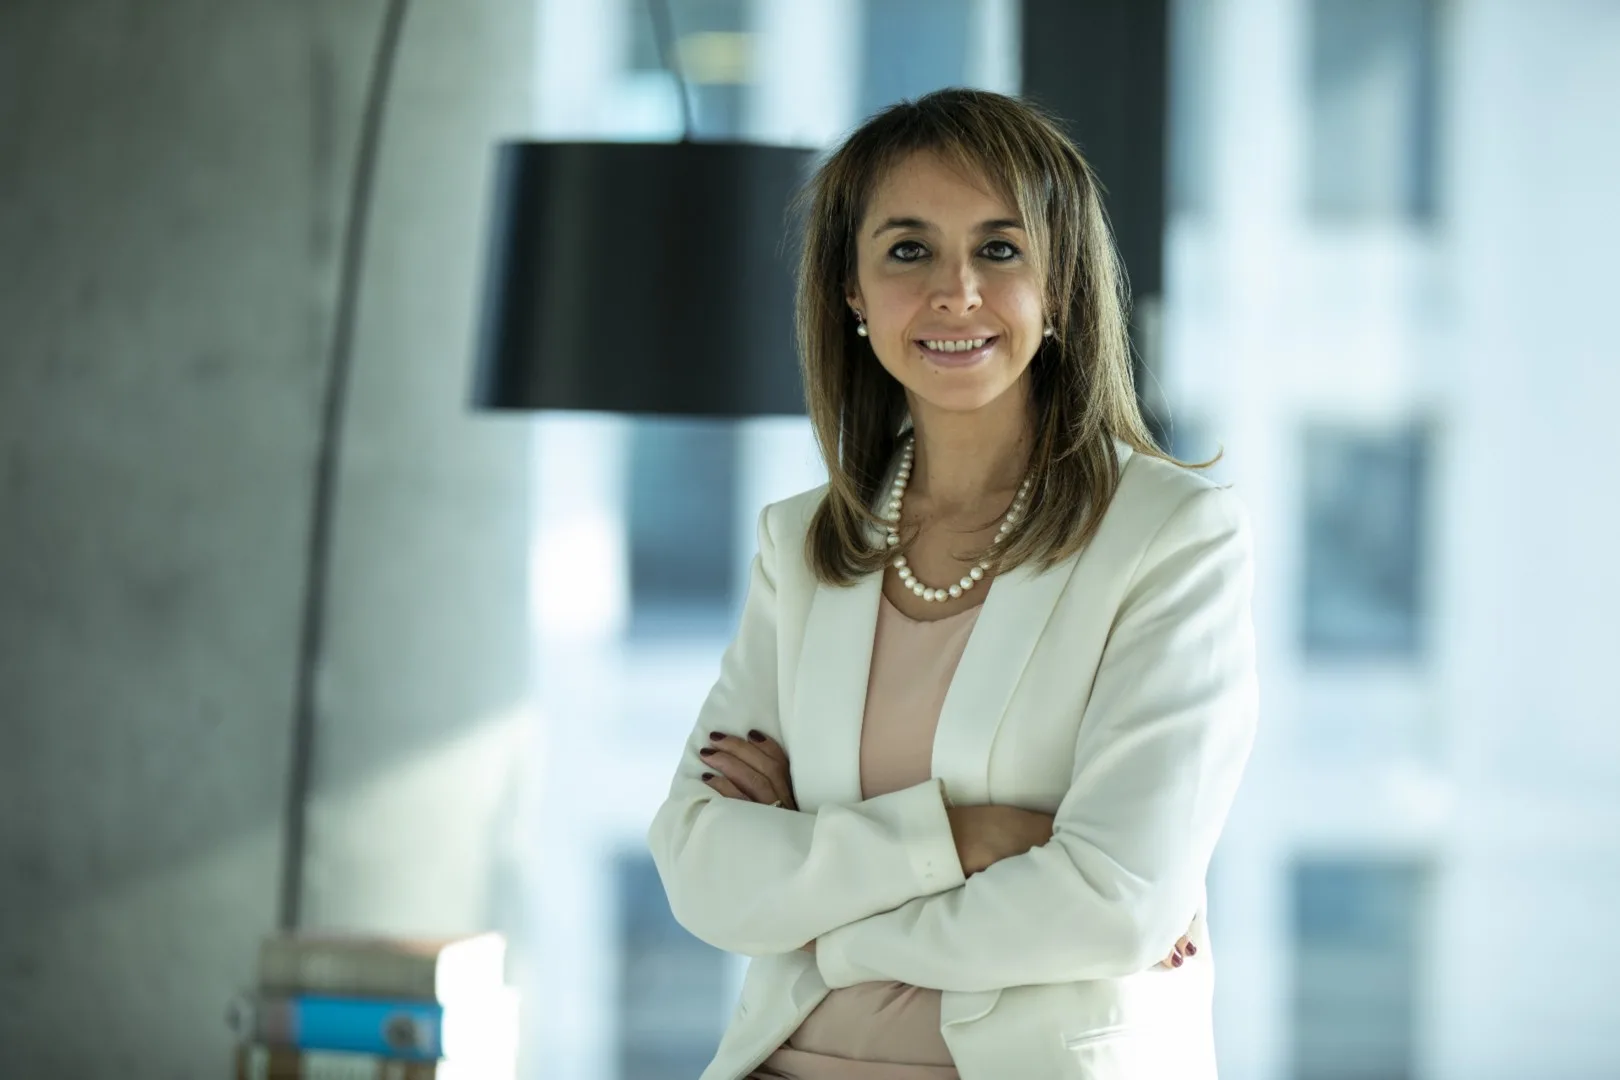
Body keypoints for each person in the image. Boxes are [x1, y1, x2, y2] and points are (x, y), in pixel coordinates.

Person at [646, 87, 1258, 1080]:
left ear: (1060, 284)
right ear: (852, 293)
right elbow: (704, 871)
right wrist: (967, 837)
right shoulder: (800, 544)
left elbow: (1116, 902)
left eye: (1000, 249)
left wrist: (824, 917)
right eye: (907, 250)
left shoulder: (1171, 538)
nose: (956, 291)